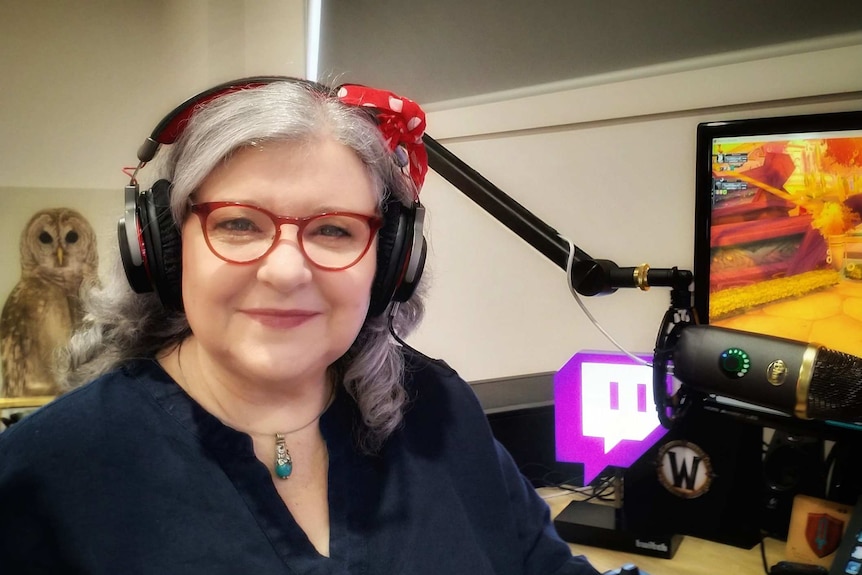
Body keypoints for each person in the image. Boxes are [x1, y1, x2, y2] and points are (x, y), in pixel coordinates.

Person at [0, 77, 602, 574]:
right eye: (238, 223)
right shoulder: (42, 472)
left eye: (334, 229)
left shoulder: (438, 410)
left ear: (391, 260)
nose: (286, 269)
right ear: (162, 245)